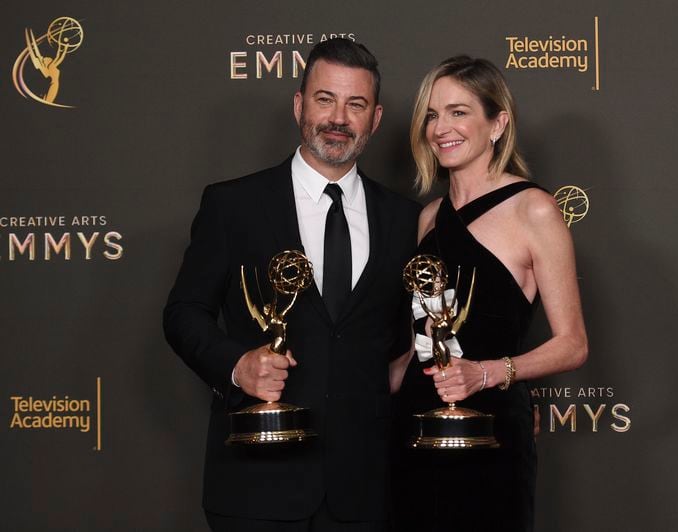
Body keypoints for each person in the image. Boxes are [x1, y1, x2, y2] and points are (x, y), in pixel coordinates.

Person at [164, 38, 419, 531]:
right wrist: (237, 365)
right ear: (300, 104)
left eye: (356, 104)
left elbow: (423, 335)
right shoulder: (233, 205)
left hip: (366, 494)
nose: (338, 118)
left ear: (377, 118)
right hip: (256, 487)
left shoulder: (406, 220)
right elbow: (183, 313)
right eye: (325, 99)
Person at [390, 56, 588, 532]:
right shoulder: (428, 217)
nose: (441, 128)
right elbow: (420, 332)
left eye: (459, 112)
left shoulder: (534, 210)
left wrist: (487, 373)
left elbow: (573, 344)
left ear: (498, 123)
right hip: (415, 429)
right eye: (432, 115)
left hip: (492, 431)